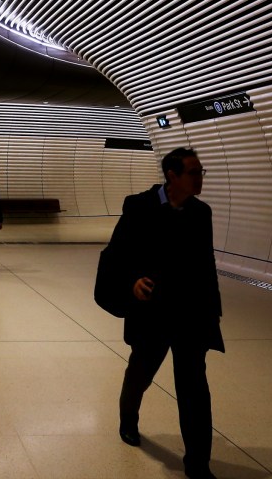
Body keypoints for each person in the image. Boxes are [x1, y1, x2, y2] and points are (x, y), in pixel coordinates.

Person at [111, 147, 222, 479]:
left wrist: (212, 312)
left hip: (190, 315)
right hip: (152, 312)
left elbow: (207, 265)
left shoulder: (201, 213)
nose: (201, 177)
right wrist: (131, 282)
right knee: (141, 374)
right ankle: (128, 419)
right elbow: (119, 255)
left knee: (194, 390)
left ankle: (198, 463)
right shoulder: (138, 206)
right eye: (194, 172)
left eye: (202, 171)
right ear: (173, 176)